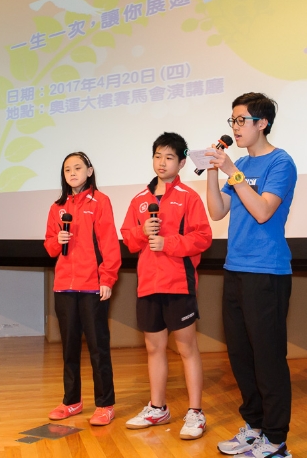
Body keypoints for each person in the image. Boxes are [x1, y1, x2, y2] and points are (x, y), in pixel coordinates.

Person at [205, 93, 298, 458]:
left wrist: (232, 171)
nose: (235, 127)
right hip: (236, 268)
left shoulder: (281, 162)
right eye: (232, 121)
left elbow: (262, 211)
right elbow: (217, 212)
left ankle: (276, 443)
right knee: (241, 356)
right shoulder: (240, 164)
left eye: (241, 120)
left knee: (268, 358)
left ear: (263, 123)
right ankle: (255, 427)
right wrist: (213, 171)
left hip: (267, 272)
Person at [120, 132, 213, 439]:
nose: (162, 162)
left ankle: (195, 412)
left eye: (169, 157)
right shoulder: (139, 200)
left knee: (186, 348)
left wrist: (167, 243)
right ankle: (157, 408)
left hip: (178, 284)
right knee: (153, 348)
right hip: (148, 285)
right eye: (158, 156)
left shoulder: (189, 197)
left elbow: (203, 238)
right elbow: (128, 239)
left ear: (182, 163)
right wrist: (142, 231)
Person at [43, 151, 121, 426]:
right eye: (67, 170)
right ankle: (71, 401)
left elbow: (109, 243)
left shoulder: (100, 201)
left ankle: (105, 404)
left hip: (92, 286)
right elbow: (50, 247)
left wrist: (107, 279)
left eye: (78, 168)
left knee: (98, 347)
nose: (72, 173)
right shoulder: (57, 207)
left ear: (89, 171)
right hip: (64, 286)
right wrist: (58, 239)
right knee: (69, 348)